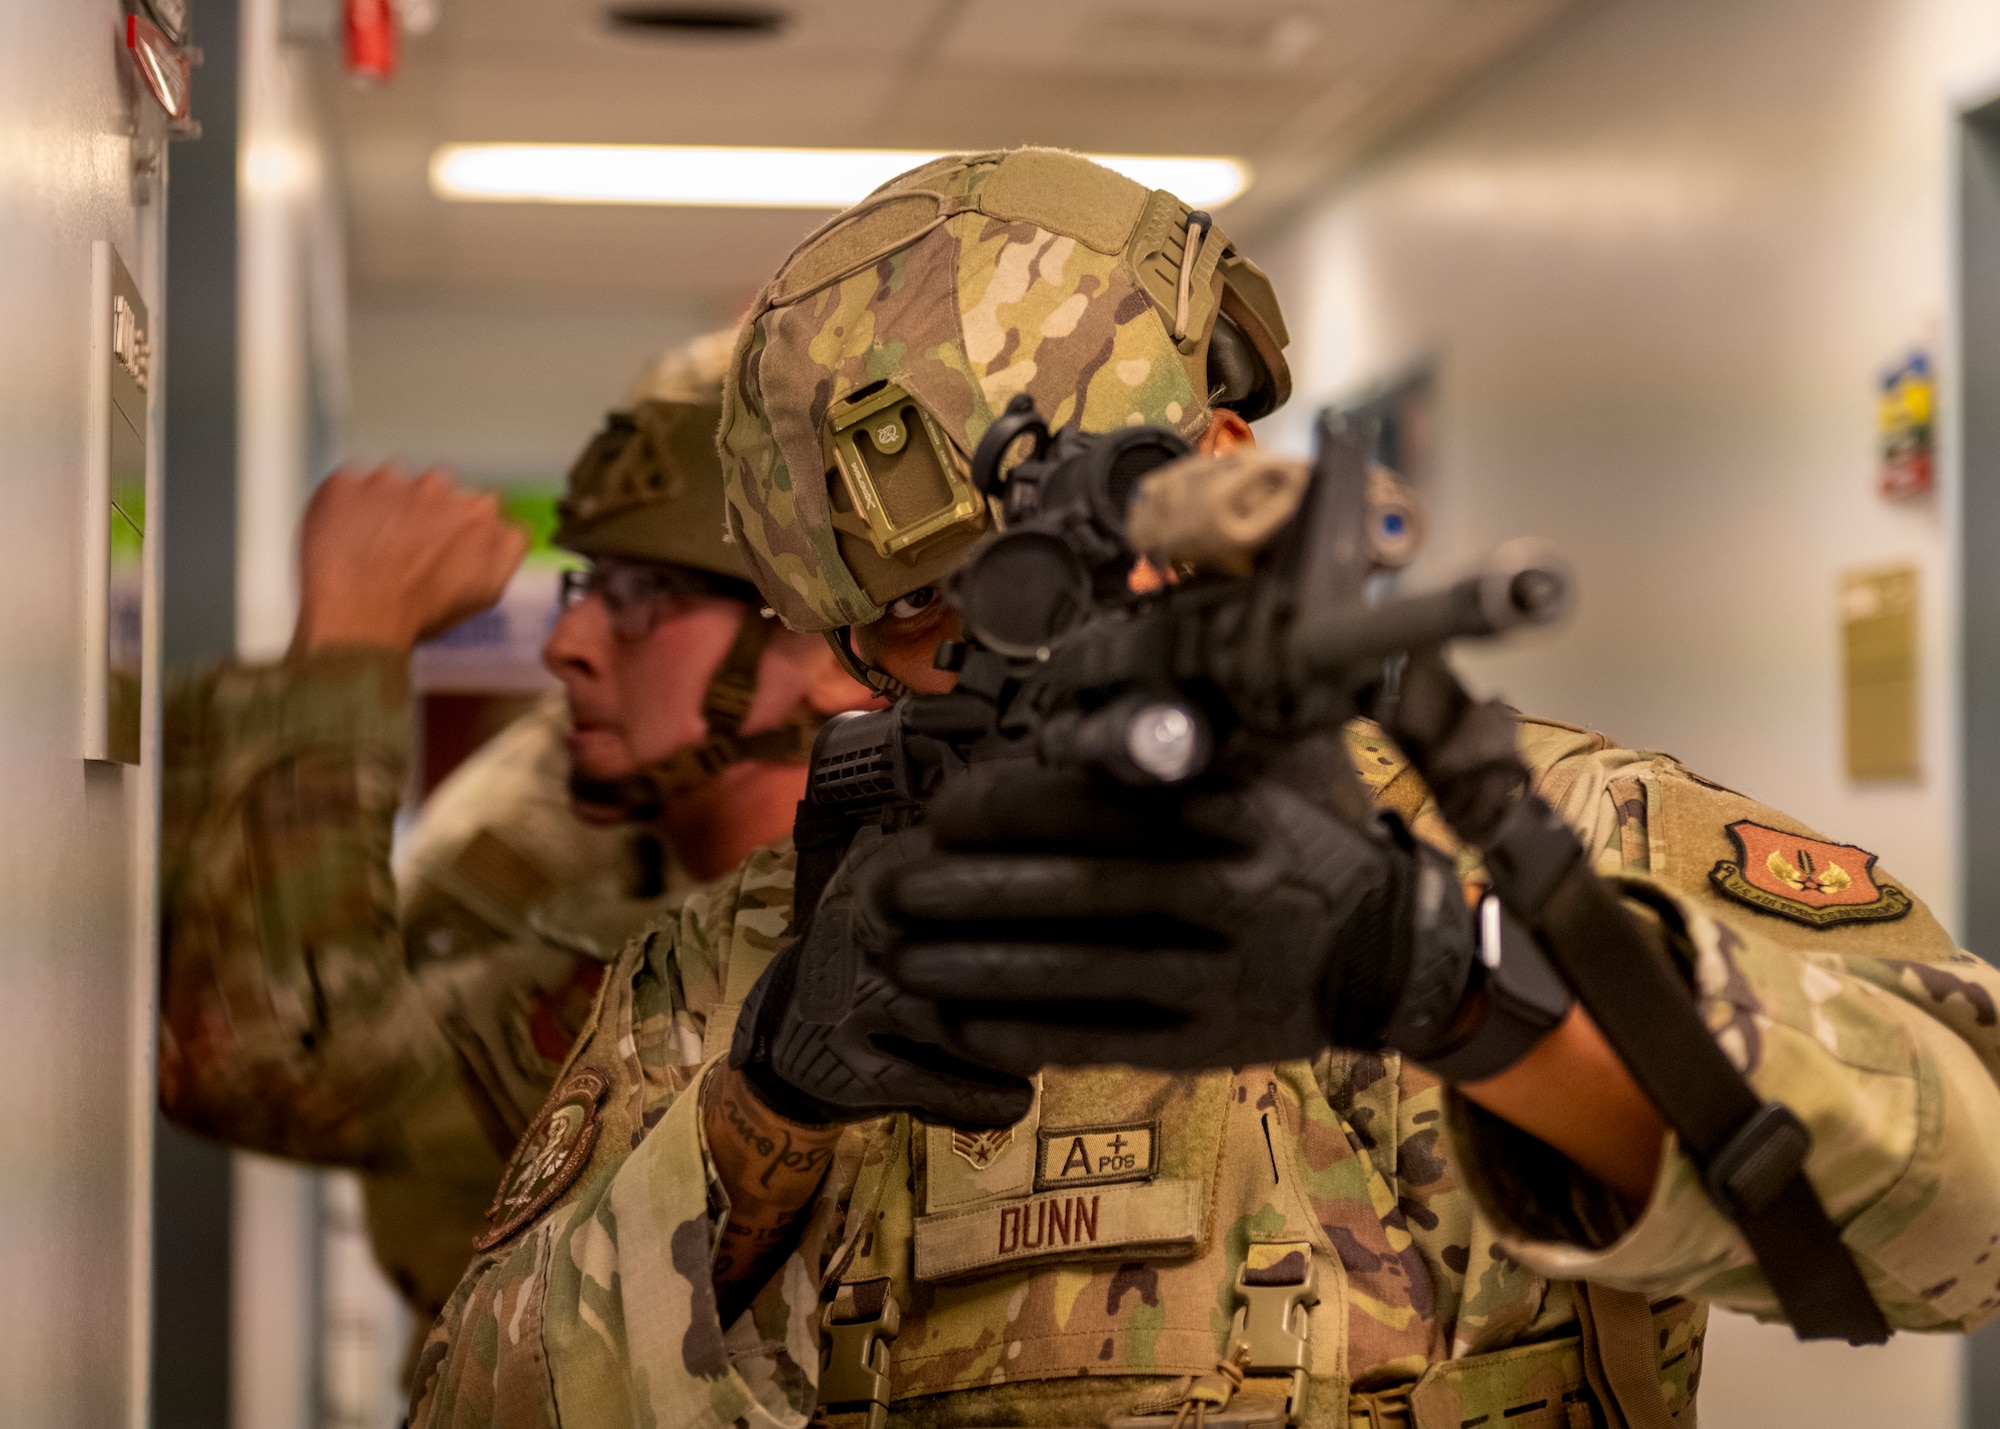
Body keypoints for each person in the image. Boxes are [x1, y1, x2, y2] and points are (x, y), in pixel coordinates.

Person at [403, 149, 2000, 1429]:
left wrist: (1468, 982)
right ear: (840, 645)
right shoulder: (755, 956)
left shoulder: (1558, 835)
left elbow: (1970, 1224)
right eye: (920, 613)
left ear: (1226, 469)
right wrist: (767, 1107)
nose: (1011, 652)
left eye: (1061, 560)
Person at [156, 327, 871, 1354]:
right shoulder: (659, 895)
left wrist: (355, 636)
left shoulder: (784, 959)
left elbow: (279, 1059)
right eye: (591, 588)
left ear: (832, 652)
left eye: (644, 597)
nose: (564, 644)